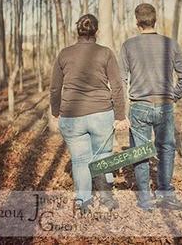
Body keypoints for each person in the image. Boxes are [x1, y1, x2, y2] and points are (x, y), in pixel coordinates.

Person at [50, 14, 129, 212]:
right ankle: (106, 201)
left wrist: (55, 112)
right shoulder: (105, 53)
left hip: (71, 115)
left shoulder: (64, 54)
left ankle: (83, 202)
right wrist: (120, 115)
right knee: (103, 155)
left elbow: (54, 88)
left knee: (79, 160)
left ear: (77, 31)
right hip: (101, 113)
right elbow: (117, 86)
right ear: (96, 31)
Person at [120, 3, 182, 211]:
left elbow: (120, 80)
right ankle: (165, 194)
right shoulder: (171, 44)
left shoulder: (128, 45)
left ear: (137, 22)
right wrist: (173, 96)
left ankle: (144, 199)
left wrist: (121, 110)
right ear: (155, 20)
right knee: (167, 149)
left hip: (139, 106)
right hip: (165, 105)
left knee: (140, 152)